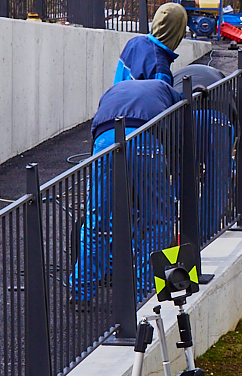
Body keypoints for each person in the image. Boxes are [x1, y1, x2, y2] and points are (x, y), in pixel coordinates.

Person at [71, 75, 180, 306]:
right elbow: (176, 134)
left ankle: (81, 292)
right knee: (158, 220)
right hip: (145, 139)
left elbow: (97, 125)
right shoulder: (168, 91)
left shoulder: (115, 88)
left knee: (96, 222)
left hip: (104, 141)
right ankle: (145, 291)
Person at [176, 61, 237, 244]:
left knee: (181, 171)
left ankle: (176, 229)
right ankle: (204, 238)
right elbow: (236, 124)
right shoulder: (222, 83)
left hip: (183, 115)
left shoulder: (175, 77)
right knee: (216, 181)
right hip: (218, 117)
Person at [113, 1, 189, 85]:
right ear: (178, 32)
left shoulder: (134, 42)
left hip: (115, 97)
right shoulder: (159, 69)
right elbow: (160, 97)